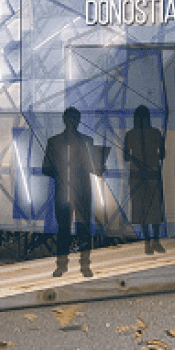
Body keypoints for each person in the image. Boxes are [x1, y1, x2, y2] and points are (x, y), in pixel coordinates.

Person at [41, 106, 105, 276]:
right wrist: (61, 171)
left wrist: (99, 167)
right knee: (65, 230)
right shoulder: (56, 142)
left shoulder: (85, 141)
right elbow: (45, 168)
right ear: (65, 120)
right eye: (70, 118)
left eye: (74, 118)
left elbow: (93, 168)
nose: (72, 122)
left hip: (79, 191)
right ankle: (65, 266)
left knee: (81, 229)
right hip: (67, 191)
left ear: (78, 120)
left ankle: (82, 266)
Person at [123, 105, 168, 253]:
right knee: (143, 208)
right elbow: (126, 156)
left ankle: (153, 241)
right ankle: (149, 241)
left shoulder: (153, 133)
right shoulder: (132, 134)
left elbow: (162, 155)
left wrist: (160, 145)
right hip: (142, 175)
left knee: (153, 208)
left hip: (150, 174)